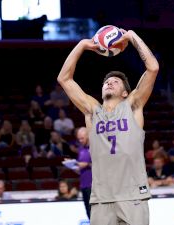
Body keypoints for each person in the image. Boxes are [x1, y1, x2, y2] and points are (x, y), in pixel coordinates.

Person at [57, 28, 159, 225]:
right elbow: (64, 79)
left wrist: (131, 35)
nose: (109, 83)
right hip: (102, 198)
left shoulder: (133, 106)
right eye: (106, 82)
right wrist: (83, 45)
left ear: (125, 93)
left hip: (133, 195)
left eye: (115, 81)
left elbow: (152, 68)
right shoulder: (92, 111)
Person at [74, 127, 92, 219]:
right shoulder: (81, 149)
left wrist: (87, 164)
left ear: (88, 136)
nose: (80, 140)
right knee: (88, 212)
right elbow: (79, 166)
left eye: (82, 138)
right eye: (79, 139)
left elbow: (101, 165)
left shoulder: (94, 147)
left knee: (94, 212)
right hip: (83, 185)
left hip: (93, 185)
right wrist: (73, 166)